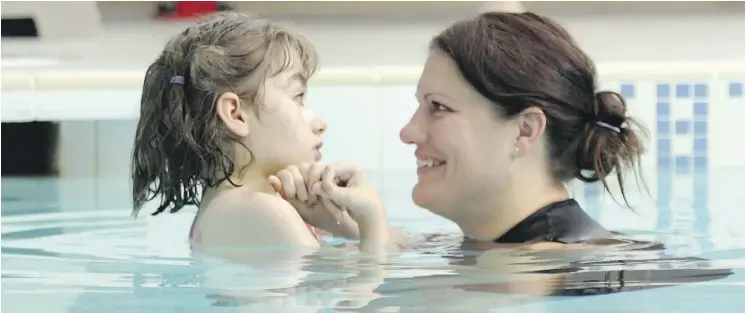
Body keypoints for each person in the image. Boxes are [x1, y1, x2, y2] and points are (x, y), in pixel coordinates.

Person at [129, 12, 389, 257]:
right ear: (236, 114)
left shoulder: (229, 205)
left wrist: (342, 224)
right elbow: (360, 296)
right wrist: (371, 219)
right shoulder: (260, 211)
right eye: (298, 97)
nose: (319, 123)